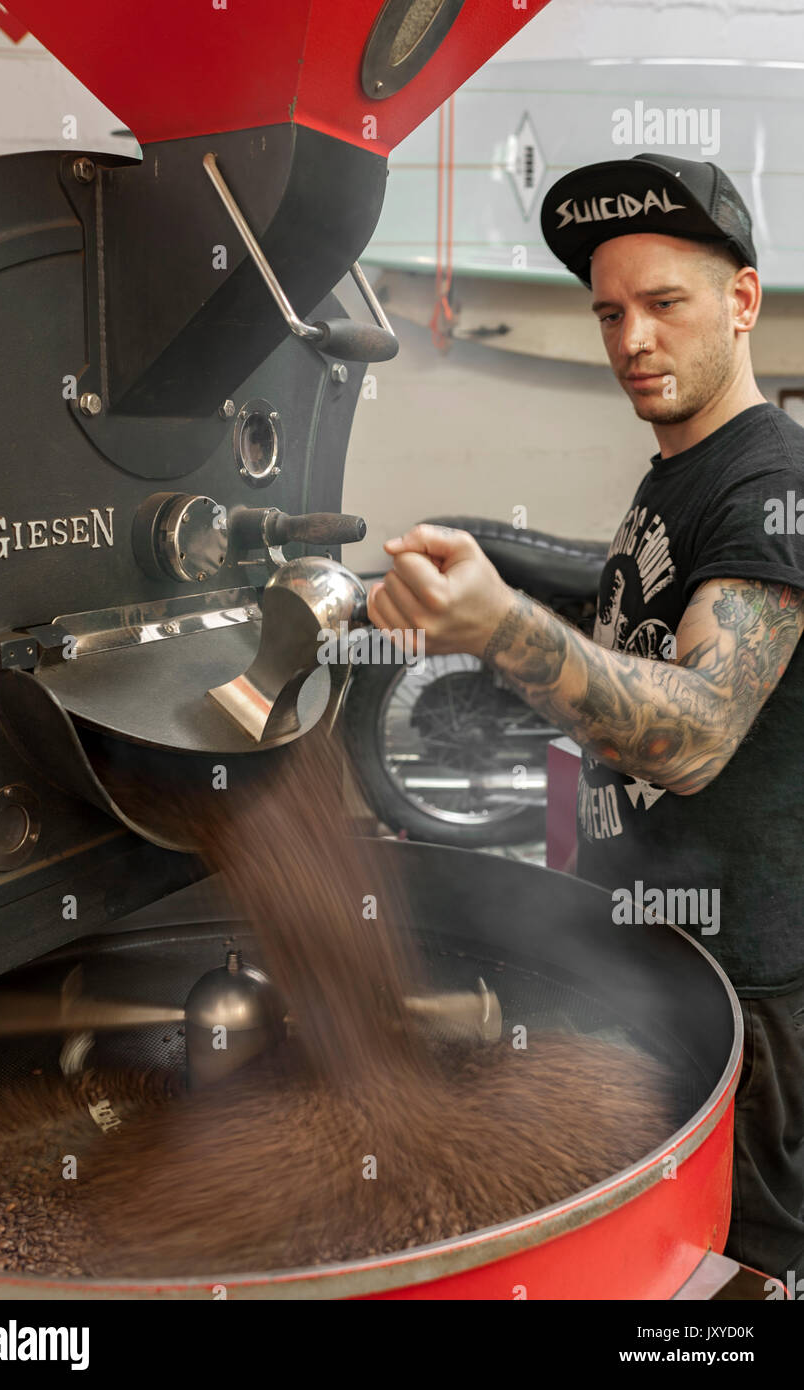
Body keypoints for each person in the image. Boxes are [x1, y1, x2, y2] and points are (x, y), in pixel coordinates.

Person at [366, 153, 804, 1291]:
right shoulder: (678, 473)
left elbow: (698, 733)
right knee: (659, 1267)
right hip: (660, 956)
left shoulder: (766, 488)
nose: (629, 341)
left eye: (664, 303)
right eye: (609, 311)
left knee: (735, 1276)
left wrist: (500, 628)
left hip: (752, 1005)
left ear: (741, 302)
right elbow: (631, 651)